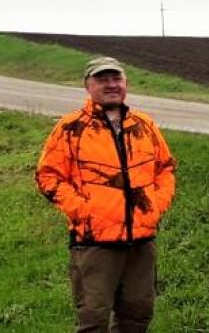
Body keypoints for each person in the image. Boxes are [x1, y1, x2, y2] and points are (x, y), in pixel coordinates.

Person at [36, 56, 178, 332]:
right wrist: (84, 211)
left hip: (141, 242)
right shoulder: (70, 128)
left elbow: (166, 169)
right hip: (94, 244)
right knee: (93, 320)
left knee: (138, 316)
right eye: (102, 79)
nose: (111, 85)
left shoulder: (144, 125)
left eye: (117, 79)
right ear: (87, 86)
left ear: (125, 84)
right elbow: (47, 176)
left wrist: (156, 206)